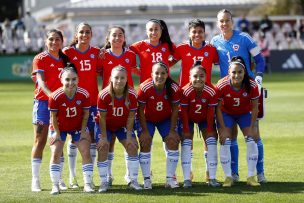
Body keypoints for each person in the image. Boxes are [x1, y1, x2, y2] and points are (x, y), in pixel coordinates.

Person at [211, 9, 267, 184]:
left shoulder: (244, 38)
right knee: (230, 136)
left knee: (254, 134)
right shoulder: (214, 41)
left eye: (227, 20)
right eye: (221, 21)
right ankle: (233, 174)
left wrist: (258, 78)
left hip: (248, 92)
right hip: (226, 92)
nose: (224, 24)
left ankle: (260, 173)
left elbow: (260, 59)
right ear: (217, 23)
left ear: (232, 22)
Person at [170, 18, 219, 183]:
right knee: (186, 137)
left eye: (200, 31)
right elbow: (165, 64)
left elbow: (225, 64)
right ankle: (187, 173)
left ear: (204, 32)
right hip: (185, 98)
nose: (197, 34)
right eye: (194, 31)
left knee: (210, 135)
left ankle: (209, 173)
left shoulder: (212, 49)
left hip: (206, 98)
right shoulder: (181, 48)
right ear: (189, 33)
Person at [31, 29, 69, 192]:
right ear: (46, 42)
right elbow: (40, 81)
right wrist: (52, 96)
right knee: (40, 140)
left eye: (57, 39)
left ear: (62, 41)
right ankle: (35, 179)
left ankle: (58, 178)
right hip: (43, 103)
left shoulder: (65, 60)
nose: (54, 42)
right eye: (51, 39)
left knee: (58, 140)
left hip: (61, 105)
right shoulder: (40, 58)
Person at [63, 22, 101, 188]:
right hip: (73, 101)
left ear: (91, 34)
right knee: (73, 138)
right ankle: (72, 176)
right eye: (81, 32)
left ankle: (89, 178)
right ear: (76, 34)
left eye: (87, 32)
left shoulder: (97, 52)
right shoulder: (67, 52)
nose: (84, 35)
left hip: (92, 101)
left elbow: (102, 71)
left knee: (91, 139)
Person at [99, 25, 137, 186]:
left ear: (124, 38)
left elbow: (136, 71)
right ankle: (107, 176)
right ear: (108, 39)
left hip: (127, 99)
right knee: (109, 142)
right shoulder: (102, 55)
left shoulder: (130, 55)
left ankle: (130, 176)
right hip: (108, 100)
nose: (117, 38)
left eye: (120, 35)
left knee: (129, 140)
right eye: (114, 35)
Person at [48, 64, 94, 195]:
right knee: (56, 152)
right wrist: (56, 133)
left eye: (74, 79)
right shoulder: (55, 96)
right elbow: (53, 117)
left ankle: (87, 184)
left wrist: (84, 129)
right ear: (61, 80)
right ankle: (55, 185)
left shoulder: (84, 94)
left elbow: (86, 114)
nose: (70, 83)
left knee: (86, 151)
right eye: (67, 79)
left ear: (78, 79)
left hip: (77, 127)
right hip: (59, 127)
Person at [95, 66, 142, 192]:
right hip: (106, 126)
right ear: (111, 78)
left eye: (122, 78)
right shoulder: (104, 95)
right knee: (103, 147)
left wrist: (129, 137)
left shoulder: (132, 95)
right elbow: (102, 119)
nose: (119, 80)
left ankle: (133, 180)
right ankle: (104, 182)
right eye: (116, 77)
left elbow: (131, 117)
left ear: (127, 79)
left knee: (132, 145)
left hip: (123, 126)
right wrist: (104, 138)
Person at [216, 56, 260, 187]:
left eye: (240, 72)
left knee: (252, 140)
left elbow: (255, 107)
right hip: (226, 114)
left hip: (244, 114)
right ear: (229, 72)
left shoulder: (252, 85)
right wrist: (222, 129)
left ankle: (251, 176)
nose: (237, 75)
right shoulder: (222, 84)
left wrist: (252, 127)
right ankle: (228, 177)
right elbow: (217, 108)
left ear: (245, 72)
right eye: (233, 72)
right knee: (225, 141)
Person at [137, 61, 180, 189]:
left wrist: (172, 131)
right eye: (157, 73)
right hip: (148, 119)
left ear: (167, 75)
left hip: (165, 119)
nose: (160, 76)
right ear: (151, 74)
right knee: (145, 142)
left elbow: (175, 110)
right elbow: (140, 110)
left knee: (173, 141)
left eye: (163, 73)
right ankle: (147, 180)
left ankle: (170, 179)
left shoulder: (173, 88)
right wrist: (144, 132)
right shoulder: (145, 87)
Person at [179, 61, 220, 188]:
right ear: (189, 77)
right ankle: (187, 178)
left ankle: (211, 176)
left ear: (206, 77)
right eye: (195, 76)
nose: (198, 79)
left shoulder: (212, 91)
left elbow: (210, 113)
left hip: (204, 119)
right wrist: (186, 129)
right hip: (188, 118)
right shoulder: (185, 91)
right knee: (186, 142)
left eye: (201, 76)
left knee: (212, 141)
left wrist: (208, 129)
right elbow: (184, 112)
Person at [129, 19, 175, 83]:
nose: (153, 32)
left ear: (161, 30)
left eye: (156, 29)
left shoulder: (168, 45)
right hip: (146, 84)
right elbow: (126, 55)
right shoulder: (138, 46)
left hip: (164, 83)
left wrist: (167, 64)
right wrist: (135, 69)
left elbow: (177, 56)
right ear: (146, 31)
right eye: (150, 30)